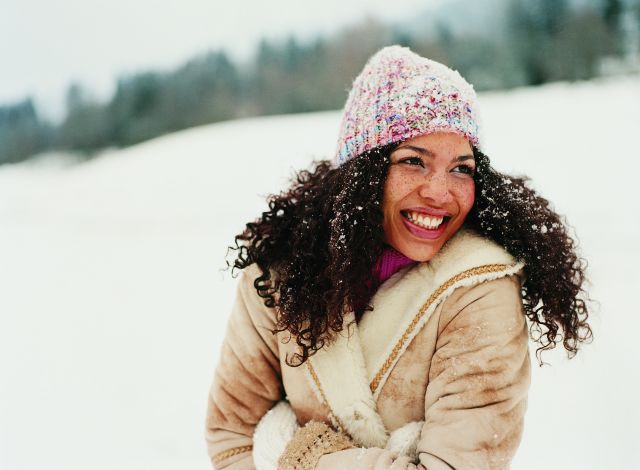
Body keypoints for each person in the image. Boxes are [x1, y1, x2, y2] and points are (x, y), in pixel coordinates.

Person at [204, 46, 592, 470]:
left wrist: (304, 457)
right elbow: (231, 437)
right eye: (413, 161)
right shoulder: (279, 276)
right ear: (362, 174)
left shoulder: (479, 288)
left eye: (461, 168)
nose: (441, 193)